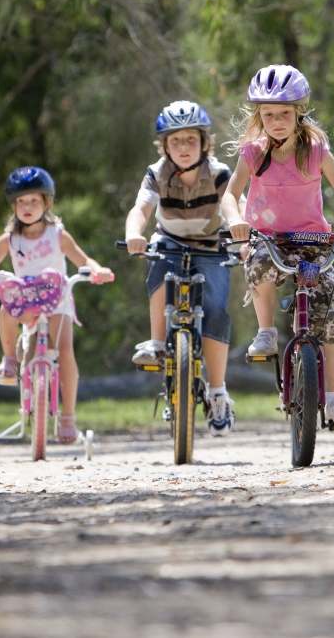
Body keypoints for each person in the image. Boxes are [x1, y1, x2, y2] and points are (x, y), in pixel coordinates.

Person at [221, 64, 334, 431]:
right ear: (259, 116)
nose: (276, 122)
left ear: (298, 112)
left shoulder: (316, 150)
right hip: (269, 239)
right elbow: (230, 195)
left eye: (284, 114)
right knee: (259, 267)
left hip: (312, 242)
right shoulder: (253, 152)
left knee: (328, 320)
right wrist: (235, 221)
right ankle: (266, 332)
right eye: (268, 115)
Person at [0, 166, 114, 443]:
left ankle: (68, 417)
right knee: (6, 308)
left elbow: (82, 259)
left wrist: (97, 270)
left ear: (46, 202)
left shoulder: (57, 234)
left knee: (64, 350)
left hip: (56, 297)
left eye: (34, 200)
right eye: (21, 201)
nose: (27, 207)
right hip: (26, 297)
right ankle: (9, 359)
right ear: (13, 205)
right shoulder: (10, 238)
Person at [123, 100, 236, 436]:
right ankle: (159, 343)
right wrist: (133, 234)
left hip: (211, 247)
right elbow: (140, 210)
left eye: (190, 140)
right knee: (158, 267)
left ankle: (217, 393)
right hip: (169, 242)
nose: (183, 148)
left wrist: (240, 232)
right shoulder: (156, 173)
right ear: (165, 146)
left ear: (204, 143)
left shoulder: (218, 173)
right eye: (175, 141)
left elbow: (234, 206)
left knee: (215, 311)